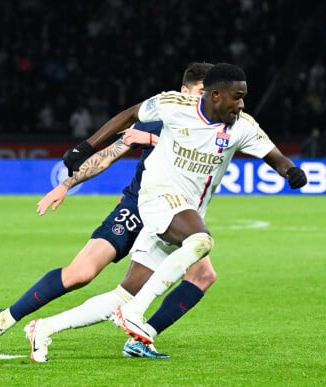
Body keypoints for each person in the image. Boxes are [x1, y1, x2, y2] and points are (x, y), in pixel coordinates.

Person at [0, 62, 215, 361]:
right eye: (200, 92)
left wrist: (152, 140)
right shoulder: (157, 116)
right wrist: (66, 184)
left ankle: (144, 336)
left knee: (198, 275)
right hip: (137, 208)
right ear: (183, 91)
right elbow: (108, 156)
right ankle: (6, 318)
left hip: (176, 215)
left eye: (209, 94)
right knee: (80, 273)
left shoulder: (212, 127)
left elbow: (199, 150)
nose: (203, 100)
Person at [63, 62, 308, 348]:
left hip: (188, 208)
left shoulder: (242, 126)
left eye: (244, 97)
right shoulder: (174, 105)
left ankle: (46, 329)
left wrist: (290, 171)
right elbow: (130, 115)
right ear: (216, 95)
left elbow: (273, 155)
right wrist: (86, 147)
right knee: (201, 240)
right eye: (237, 96)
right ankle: (134, 313)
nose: (241, 104)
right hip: (158, 197)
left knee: (182, 279)